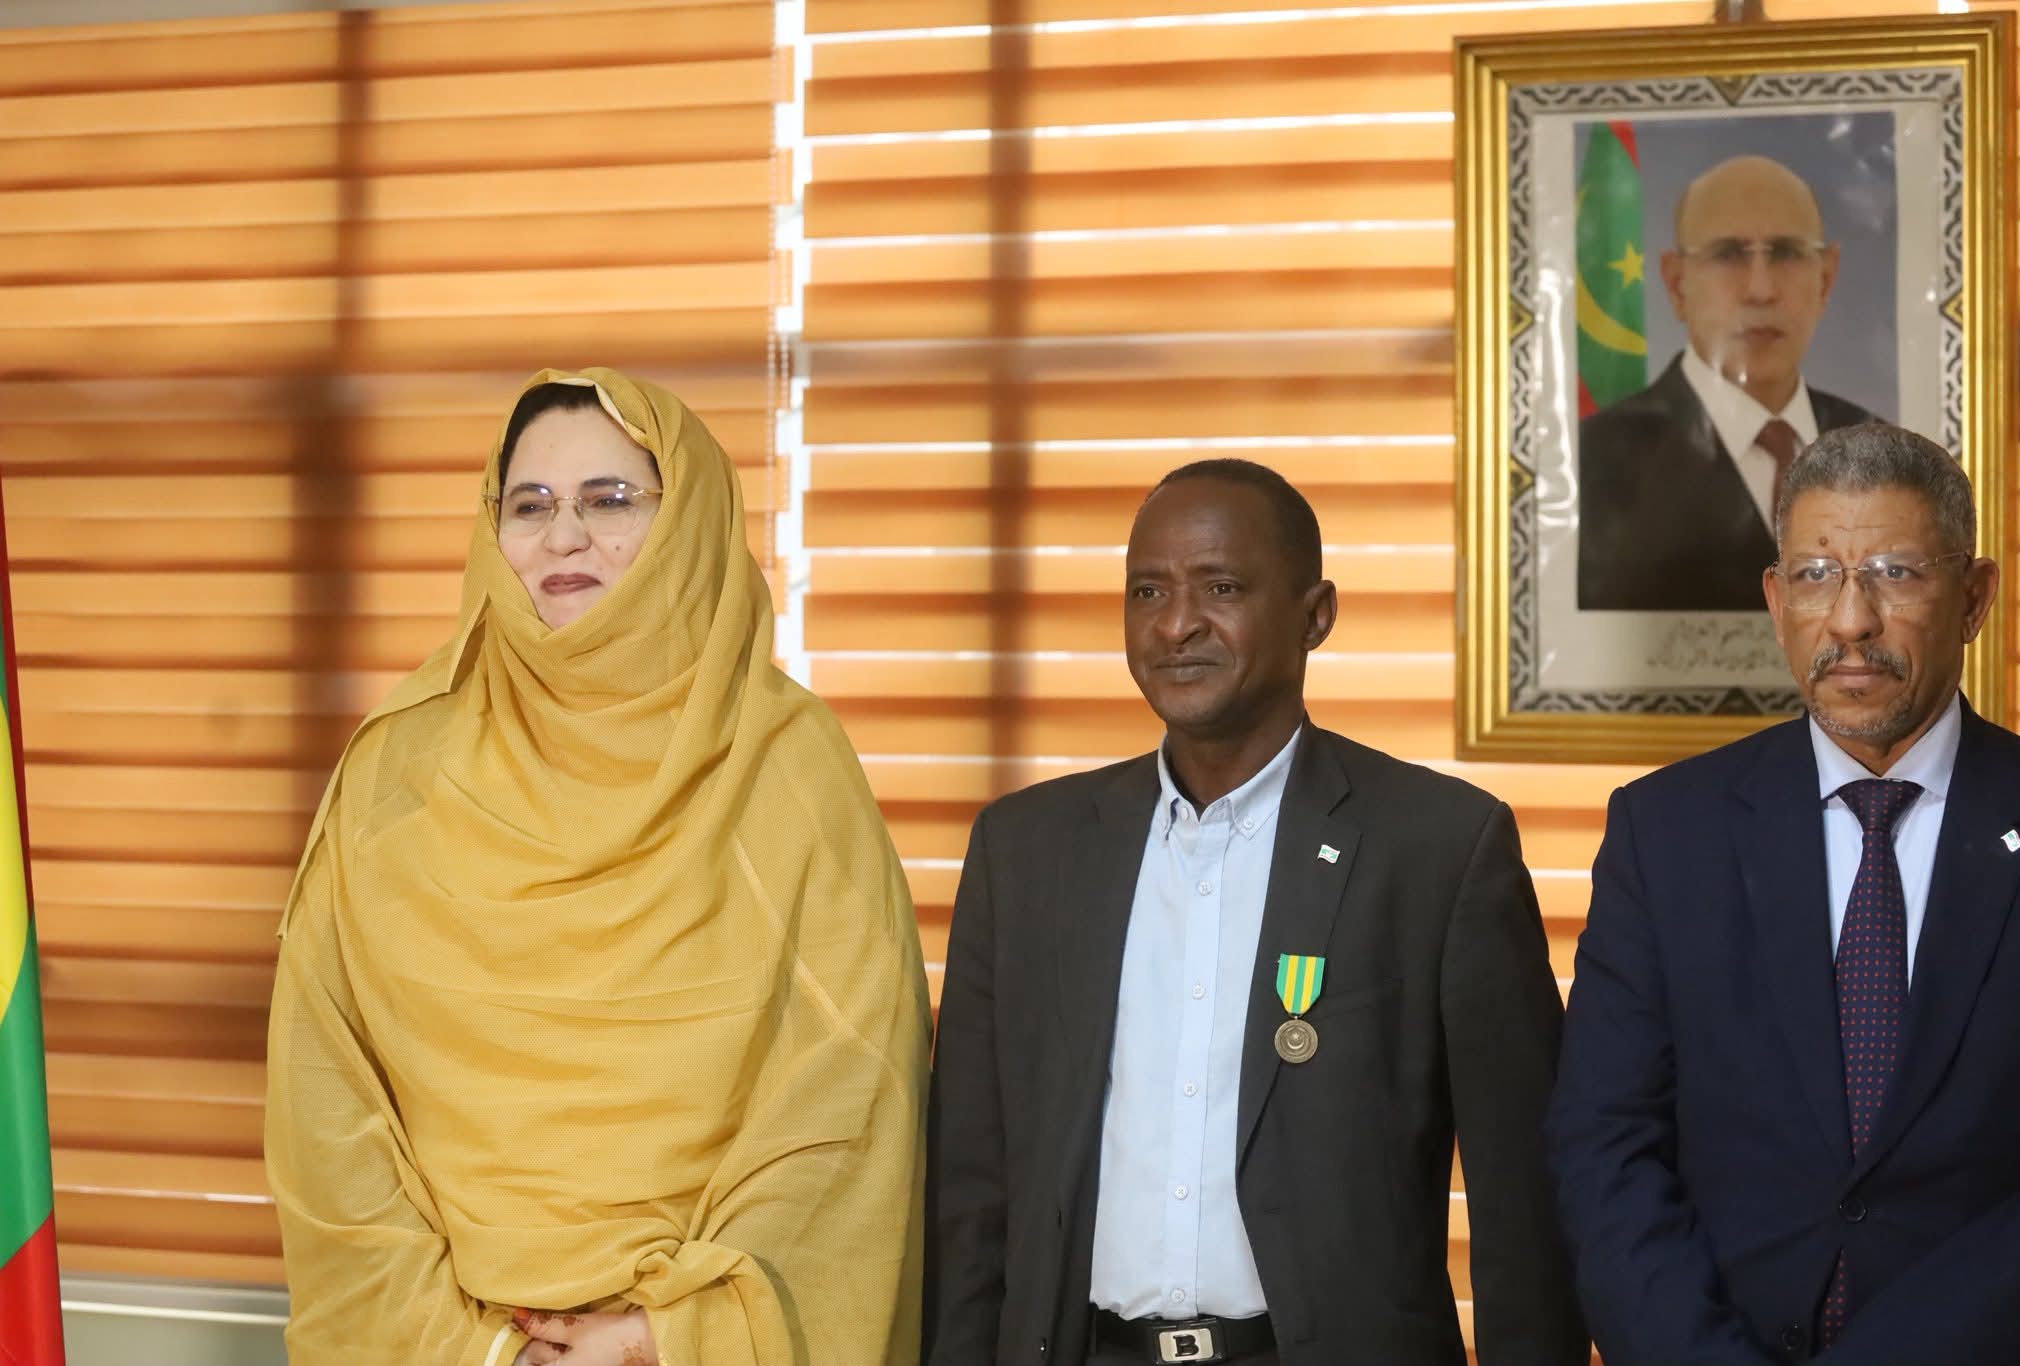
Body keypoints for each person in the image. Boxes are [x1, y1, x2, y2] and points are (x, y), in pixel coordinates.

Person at [265, 368, 928, 1366]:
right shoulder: (396, 770)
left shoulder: (785, 766)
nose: (564, 537)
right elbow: (327, 1101)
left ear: (685, 521)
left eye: (609, 499)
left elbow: (852, 1099)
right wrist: (478, 1349)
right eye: (529, 505)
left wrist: (670, 1334)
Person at [924, 459, 1587, 1366]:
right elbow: (971, 1193)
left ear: (1316, 616)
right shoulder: (1025, 852)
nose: (1176, 623)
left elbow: (1524, 1204)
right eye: (1147, 590)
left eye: (1221, 588)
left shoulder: (1439, 849)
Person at [1549, 423, 2020, 1363]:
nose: (1851, 620)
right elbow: (1605, 1143)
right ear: (1778, 602)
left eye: (1895, 573)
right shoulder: (1666, 831)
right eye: (1818, 576)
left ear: (1976, 598)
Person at [1578, 154, 1880, 612]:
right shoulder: (1593, 466)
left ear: (1826, 278)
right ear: (1676, 284)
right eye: (1727, 255)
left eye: (1786, 253)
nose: (1760, 289)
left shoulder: (1882, 453)